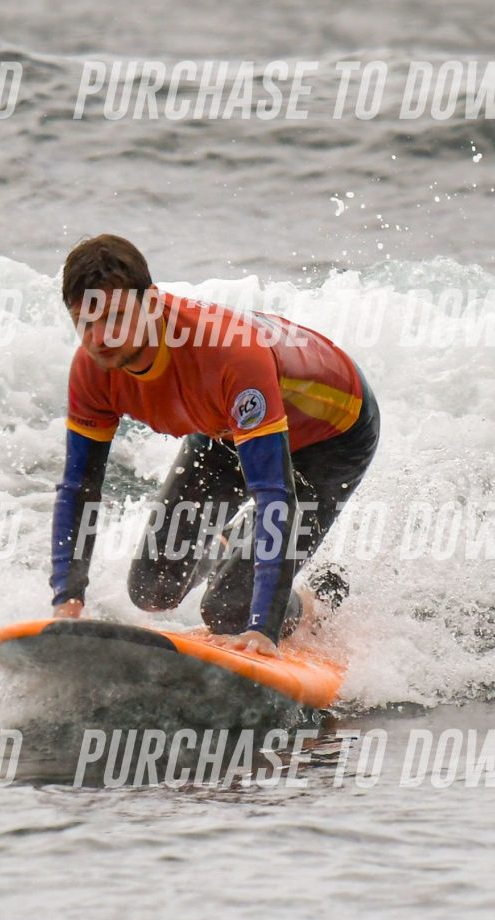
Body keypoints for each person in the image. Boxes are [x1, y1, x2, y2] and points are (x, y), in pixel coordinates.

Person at [48, 234, 380, 654]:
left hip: (331, 437)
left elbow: (274, 493)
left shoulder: (229, 354)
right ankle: (234, 542)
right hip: (224, 428)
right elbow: (79, 488)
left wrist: (262, 629)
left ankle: (316, 603)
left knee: (229, 611)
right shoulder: (93, 370)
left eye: (115, 318)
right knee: (152, 591)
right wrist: (67, 600)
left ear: (152, 303)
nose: (100, 338)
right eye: (85, 322)